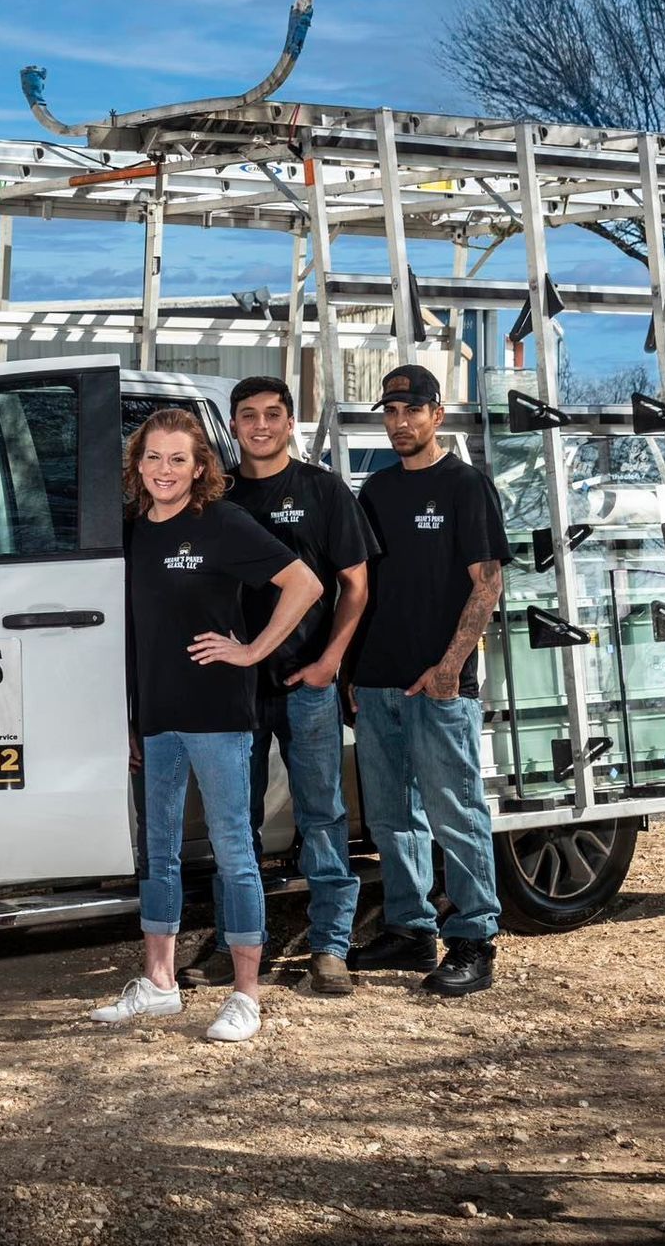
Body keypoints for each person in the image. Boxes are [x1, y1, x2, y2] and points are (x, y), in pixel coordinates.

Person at [91, 408, 320, 1043]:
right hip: (158, 718)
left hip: (218, 716)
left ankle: (246, 996)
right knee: (157, 853)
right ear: (137, 464)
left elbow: (304, 584)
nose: (164, 470)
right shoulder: (133, 532)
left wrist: (250, 650)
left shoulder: (221, 524)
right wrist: (134, 715)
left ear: (200, 467)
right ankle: (160, 984)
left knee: (234, 854)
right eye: (153, 458)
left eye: (177, 459)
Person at [179, 377, 377, 997]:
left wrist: (330, 662)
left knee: (322, 815)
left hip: (305, 681)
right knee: (235, 821)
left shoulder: (321, 490)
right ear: (232, 426)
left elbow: (356, 585)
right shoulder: (213, 494)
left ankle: (329, 946)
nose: (260, 425)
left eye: (272, 414)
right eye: (248, 415)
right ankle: (240, 945)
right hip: (234, 689)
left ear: (290, 422)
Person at [345, 365, 511, 997]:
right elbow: (360, 588)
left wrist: (449, 668)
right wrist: (355, 669)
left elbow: (487, 582)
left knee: (455, 810)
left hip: (439, 686)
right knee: (391, 818)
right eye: (390, 411)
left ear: (437, 415)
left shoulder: (466, 486)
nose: (400, 422)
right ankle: (411, 930)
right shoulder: (377, 491)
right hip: (379, 681)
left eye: (412, 410)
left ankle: (473, 939)